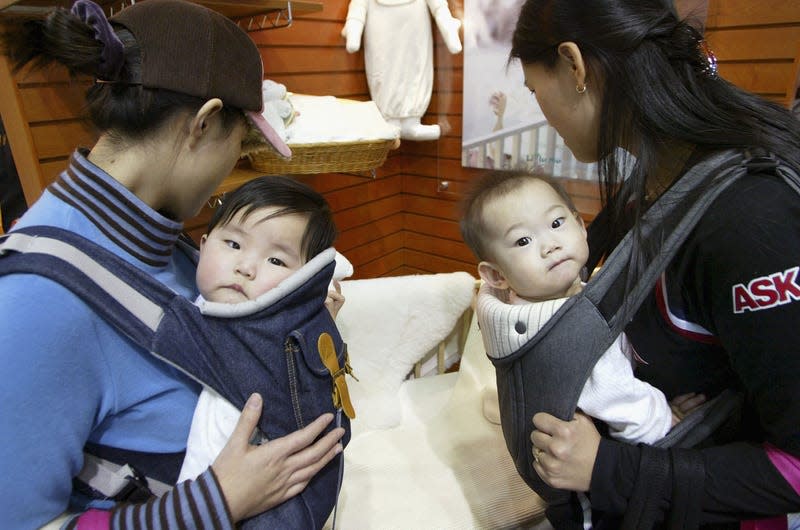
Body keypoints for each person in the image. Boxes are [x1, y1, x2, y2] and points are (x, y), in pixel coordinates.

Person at [0, 0, 345, 527]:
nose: (236, 163)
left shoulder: (164, 241)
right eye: (241, 142)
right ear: (204, 124)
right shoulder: (37, 302)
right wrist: (215, 502)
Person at [507, 0, 800, 528]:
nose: (540, 111)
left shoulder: (750, 219)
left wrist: (610, 468)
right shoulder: (648, 189)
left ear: (574, 66)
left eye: (534, 91)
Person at [460, 170, 705, 526]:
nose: (550, 244)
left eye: (557, 223)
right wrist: (668, 419)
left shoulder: (523, 309)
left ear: (580, 224)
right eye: (523, 241)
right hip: (597, 507)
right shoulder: (570, 332)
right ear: (496, 275)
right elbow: (626, 406)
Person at [179, 174, 345, 483]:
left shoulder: (261, 345)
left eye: (276, 261)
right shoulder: (190, 305)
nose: (245, 267)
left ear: (305, 281)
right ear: (203, 246)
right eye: (233, 244)